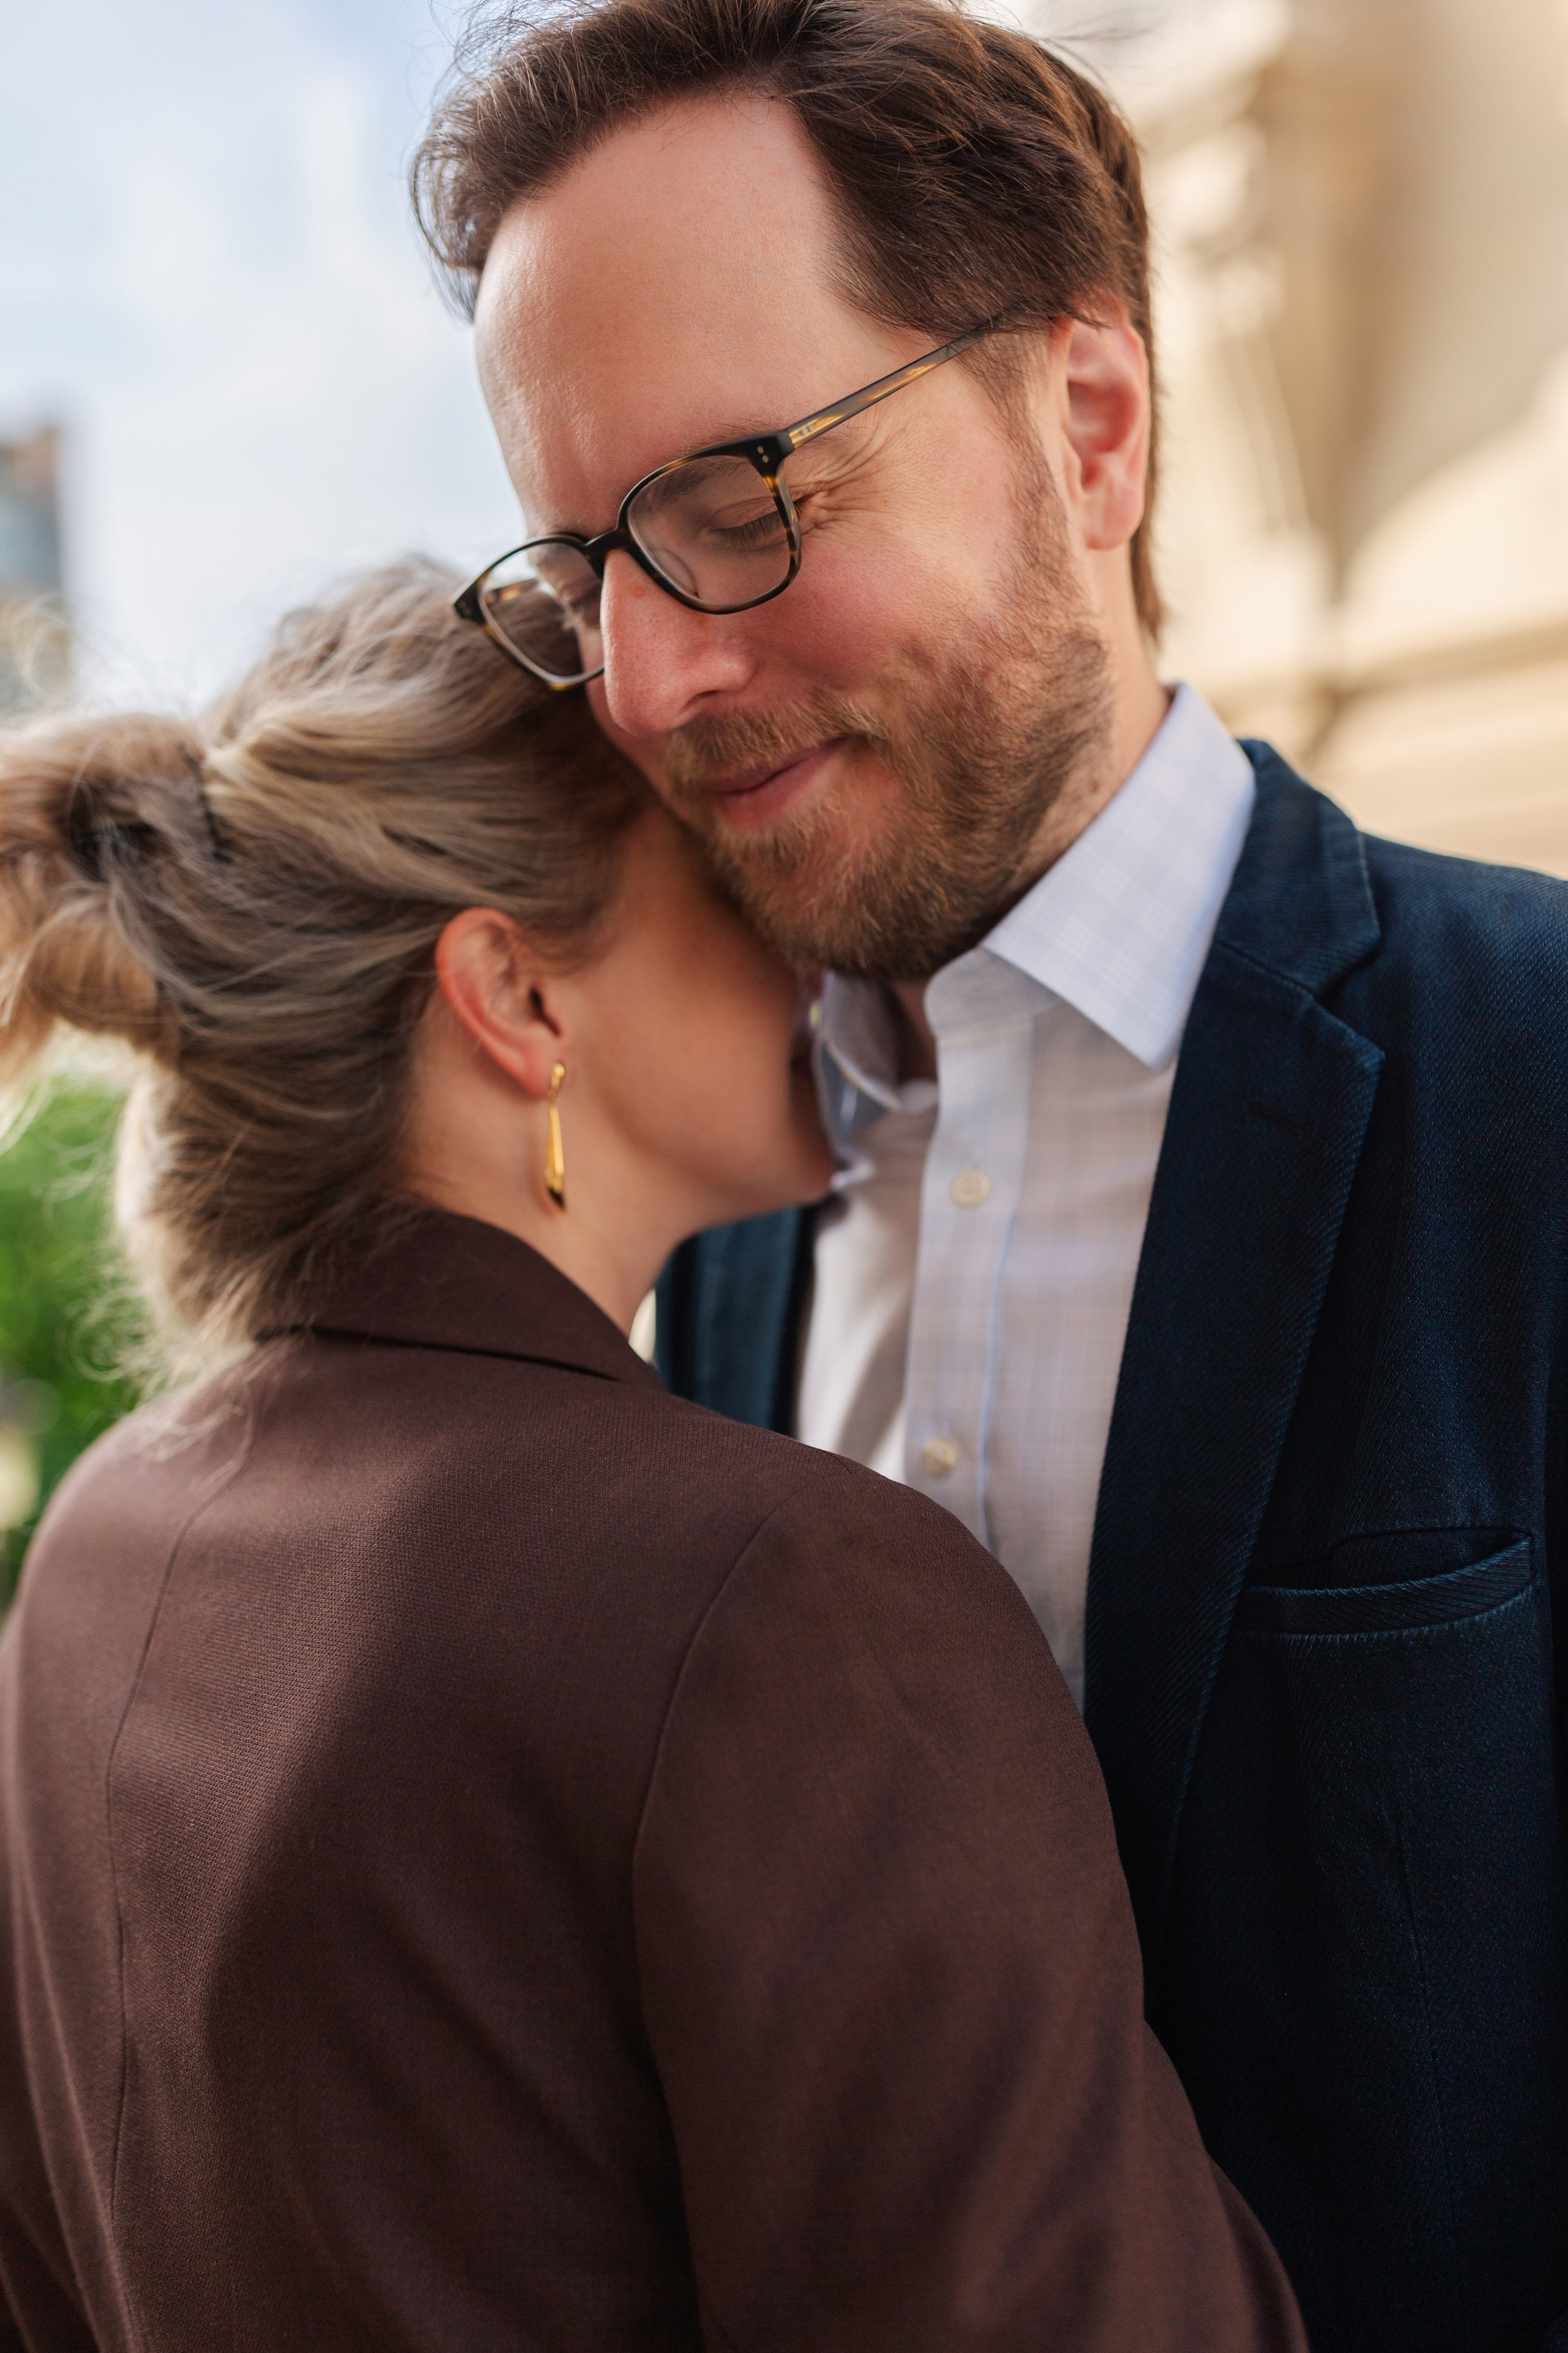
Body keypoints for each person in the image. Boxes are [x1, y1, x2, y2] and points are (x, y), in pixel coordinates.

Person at [415, 2, 1568, 2348]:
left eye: (740, 503)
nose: (646, 680)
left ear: (1096, 428)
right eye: (578, 567)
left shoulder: (1532, 1072)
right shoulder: (708, 1205)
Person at [0, 560, 1303, 2351]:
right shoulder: (785, 1606)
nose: (813, 926)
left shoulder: (95, 1546)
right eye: (722, 856)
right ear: (514, 996)